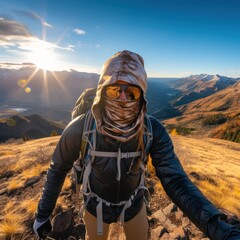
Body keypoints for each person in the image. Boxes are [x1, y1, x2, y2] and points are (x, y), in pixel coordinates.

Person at [33, 50, 240, 240]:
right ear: (102, 91)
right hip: (95, 207)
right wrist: (42, 215)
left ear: (141, 95)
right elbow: (57, 169)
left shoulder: (152, 130)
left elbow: (175, 180)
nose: (123, 98)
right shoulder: (81, 128)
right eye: (114, 90)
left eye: (131, 92)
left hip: (134, 205)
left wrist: (220, 230)